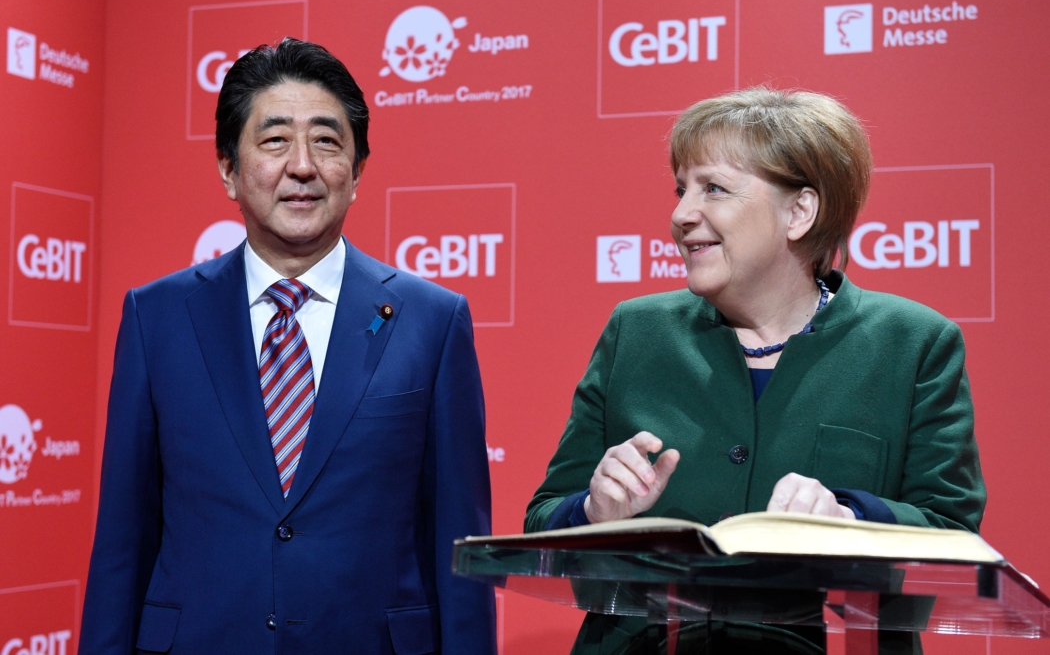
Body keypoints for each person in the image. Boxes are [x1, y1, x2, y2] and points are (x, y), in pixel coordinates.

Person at [525, 87, 985, 654]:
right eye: (681, 189)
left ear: (799, 212)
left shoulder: (912, 344)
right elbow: (544, 519)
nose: (680, 215)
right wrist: (594, 509)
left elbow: (956, 543)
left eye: (713, 189)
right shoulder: (636, 332)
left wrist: (849, 517)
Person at [80, 39, 496, 654]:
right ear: (229, 168)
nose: (302, 165)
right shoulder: (157, 317)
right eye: (275, 140)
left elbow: (460, 548)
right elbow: (122, 540)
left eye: (327, 141)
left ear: (356, 172)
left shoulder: (432, 321)